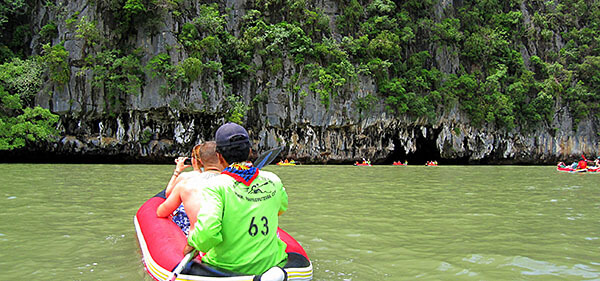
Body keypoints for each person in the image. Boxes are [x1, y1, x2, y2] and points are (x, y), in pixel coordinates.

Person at [184, 122, 289, 275]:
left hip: (227, 268)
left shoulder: (216, 186)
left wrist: (191, 244)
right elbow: (281, 209)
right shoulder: (274, 180)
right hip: (271, 263)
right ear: (250, 151)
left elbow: (208, 233)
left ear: (219, 156)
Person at [157, 141, 224, 235]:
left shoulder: (185, 182)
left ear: (198, 160)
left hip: (194, 237)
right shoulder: (232, 183)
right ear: (221, 158)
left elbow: (162, 209)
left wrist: (177, 171)